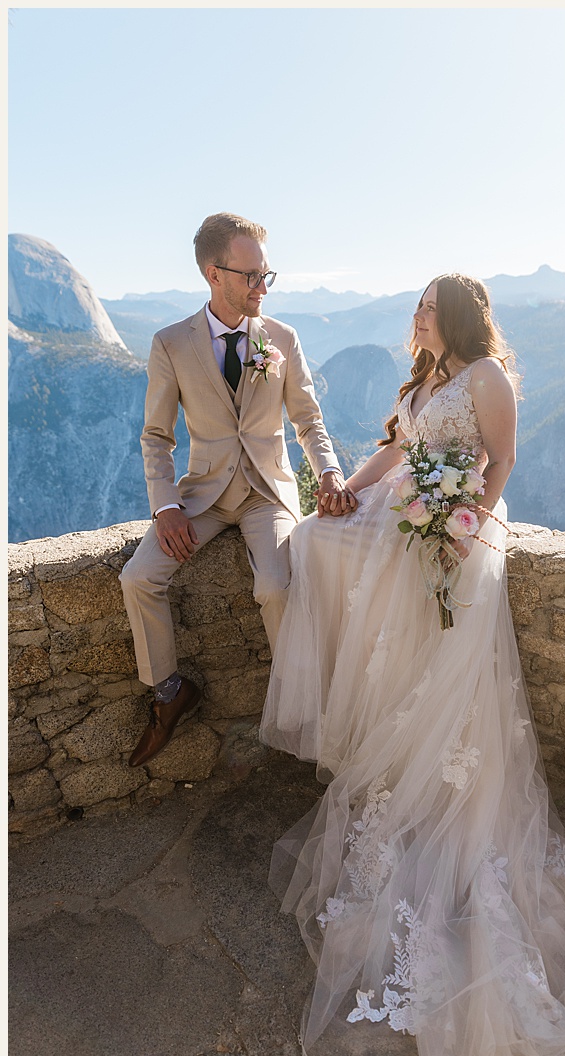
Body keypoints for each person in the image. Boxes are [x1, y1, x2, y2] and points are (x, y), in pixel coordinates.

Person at [262, 273, 565, 1056]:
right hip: (412, 521)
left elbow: (502, 460)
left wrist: (466, 526)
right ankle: (399, 775)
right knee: (321, 544)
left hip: (461, 544)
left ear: (452, 315)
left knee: (448, 689)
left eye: (423, 307)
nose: (413, 318)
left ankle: (449, 816)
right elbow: (398, 448)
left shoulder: (487, 377)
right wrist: (351, 484)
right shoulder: (426, 378)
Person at [119, 213, 349, 766]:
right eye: (250, 276)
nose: (261, 288)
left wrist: (330, 474)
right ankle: (171, 693)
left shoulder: (283, 340)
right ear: (212, 273)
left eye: (266, 275)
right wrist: (166, 505)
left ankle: (303, 715)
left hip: (267, 494)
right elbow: (155, 437)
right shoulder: (170, 343)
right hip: (200, 497)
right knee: (137, 576)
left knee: (275, 586)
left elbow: (308, 422)